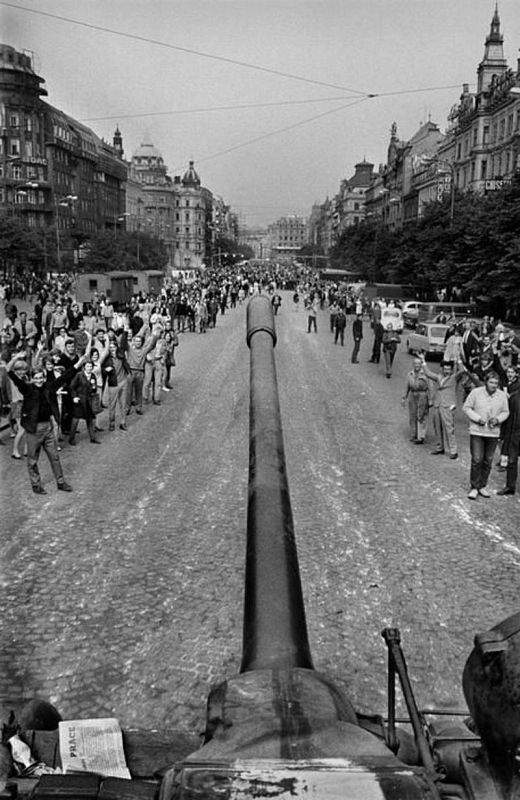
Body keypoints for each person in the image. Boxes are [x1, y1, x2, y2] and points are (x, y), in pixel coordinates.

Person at [7, 354, 85, 494]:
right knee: (32, 460)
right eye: (36, 378)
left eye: (41, 378)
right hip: (33, 430)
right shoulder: (27, 389)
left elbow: (65, 376)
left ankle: (60, 482)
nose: (39, 380)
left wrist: (79, 363)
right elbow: (9, 371)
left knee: (55, 457)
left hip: (48, 427)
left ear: (44, 378)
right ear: (32, 379)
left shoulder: (49, 387)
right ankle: (36, 485)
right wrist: (16, 358)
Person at [463, 372, 509, 500]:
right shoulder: (476, 393)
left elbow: (506, 412)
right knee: (477, 459)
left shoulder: (501, 395)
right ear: (486, 382)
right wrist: (477, 418)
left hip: (493, 433)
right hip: (477, 431)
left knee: (488, 460)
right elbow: (466, 408)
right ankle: (474, 487)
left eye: (496, 383)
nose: (494, 385)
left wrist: (498, 419)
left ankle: (482, 485)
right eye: (491, 382)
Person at [421, 357, 466, 458]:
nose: (446, 371)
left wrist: (459, 360)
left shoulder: (454, 378)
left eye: (448, 369)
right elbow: (428, 373)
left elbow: (462, 371)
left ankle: (453, 451)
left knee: (449, 429)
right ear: (442, 369)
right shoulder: (438, 377)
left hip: (448, 406)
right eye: (445, 369)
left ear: (451, 370)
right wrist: (423, 361)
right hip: (438, 404)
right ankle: (439, 447)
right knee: (437, 427)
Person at [68, 361, 102, 445]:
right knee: (76, 419)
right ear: (84, 367)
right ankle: (71, 438)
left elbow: (94, 389)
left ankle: (92, 438)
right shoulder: (79, 375)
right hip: (80, 400)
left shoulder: (93, 376)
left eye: (91, 366)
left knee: (90, 419)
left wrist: (93, 387)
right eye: (88, 366)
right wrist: (74, 397)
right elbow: (72, 387)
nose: (89, 368)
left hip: (88, 401)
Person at [496, 381, 520, 496]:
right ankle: (510, 487)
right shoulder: (514, 397)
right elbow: (508, 418)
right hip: (514, 434)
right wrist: (503, 435)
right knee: (511, 461)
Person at [401, 358, 430, 444]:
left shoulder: (425, 374)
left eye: (418, 364)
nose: (417, 365)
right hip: (412, 395)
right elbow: (407, 386)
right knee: (412, 415)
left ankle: (421, 436)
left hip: (422, 395)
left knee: (421, 415)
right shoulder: (410, 374)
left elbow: (430, 386)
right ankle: (413, 434)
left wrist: (431, 399)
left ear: (421, 365)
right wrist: (404, 397)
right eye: (415, 364)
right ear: (413, 365)